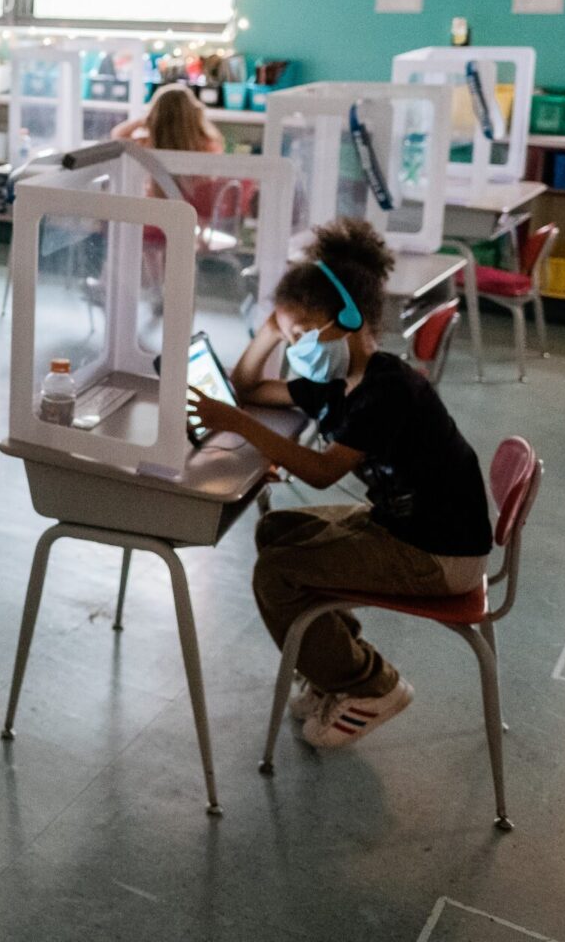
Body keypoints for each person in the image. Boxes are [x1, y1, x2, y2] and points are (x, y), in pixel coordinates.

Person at [187, 218, 492, 749]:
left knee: (278, 573)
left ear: (349, 320)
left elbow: (322, 473)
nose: (295, 347)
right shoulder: (332, 383)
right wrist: (272, 328)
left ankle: (372, 685)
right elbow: (249, 387)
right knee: (277, 531)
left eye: (302, 335)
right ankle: (332, 666)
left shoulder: (386, 390)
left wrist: (237, 424)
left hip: (439, 554)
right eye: (288, 337)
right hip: (407, 527)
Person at [113, 84, 225, 154]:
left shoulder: (150, 144)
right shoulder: (206, 145)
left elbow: (118, 135)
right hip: (193, 193)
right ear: (193, 115)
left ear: (154, 116)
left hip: (155, 193)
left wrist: (145, 120)